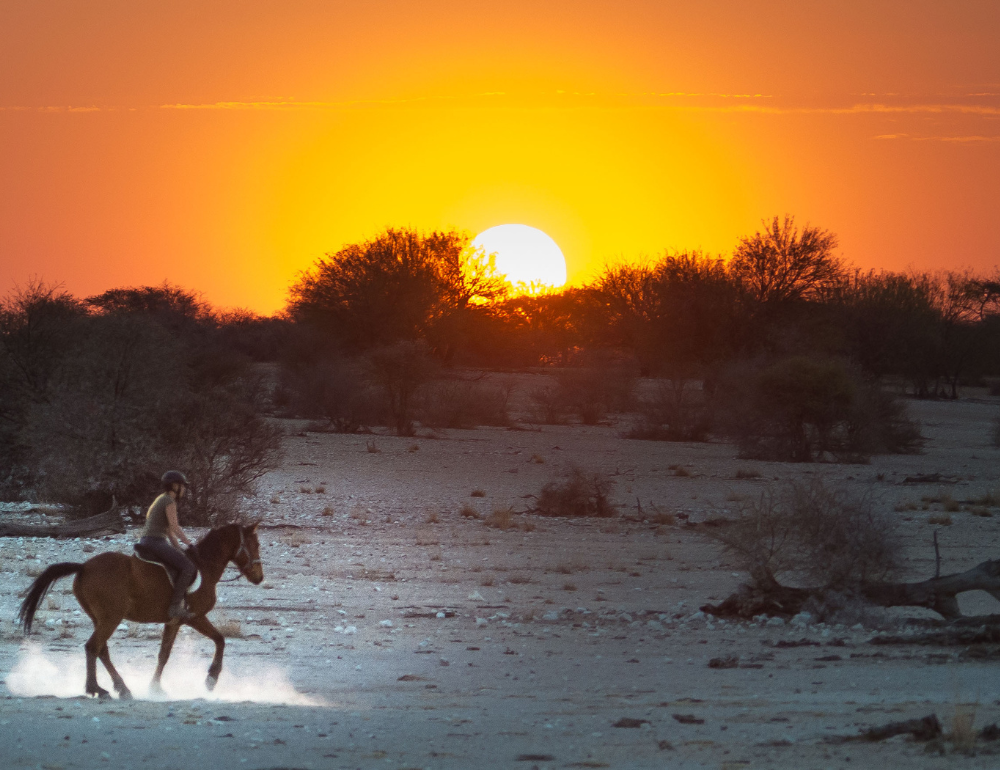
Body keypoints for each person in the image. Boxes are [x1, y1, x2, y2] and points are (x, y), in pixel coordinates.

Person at [137, 471, 197, 620]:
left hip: (149, 540)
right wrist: (189, 543)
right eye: (183, 486)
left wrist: (179, 549)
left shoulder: (161, 499)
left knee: (181, 560)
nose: (184, 490)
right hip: (155, 541)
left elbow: (170, 532)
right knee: (188, 567)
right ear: (175, 486)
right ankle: (175, 607)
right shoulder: (169, 501)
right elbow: (175, 527)